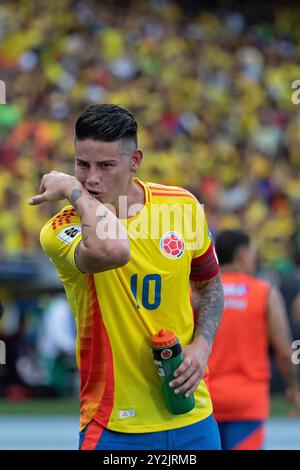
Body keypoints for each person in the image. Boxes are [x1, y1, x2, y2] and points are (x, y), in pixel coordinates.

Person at [29, 103, 224, 450]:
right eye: (81, 165)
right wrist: (75, 194)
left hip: (192, 417)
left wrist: (202, 345)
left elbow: (210, 284)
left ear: (135, 161)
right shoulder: (61, 228)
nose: (91, 179)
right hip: (113, 425)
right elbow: (113, 250)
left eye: (105, 166)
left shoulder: (183, 206)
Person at [208, 229, 300, 450]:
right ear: (241, 256)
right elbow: (285, 352)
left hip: (206, 400)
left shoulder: (201, 293)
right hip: (247, 402)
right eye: (252, 253)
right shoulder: (264, 292)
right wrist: (294, 389)